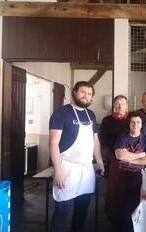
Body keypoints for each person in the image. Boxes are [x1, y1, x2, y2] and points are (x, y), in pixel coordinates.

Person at [49, 81, 104, 232]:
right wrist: (58, 171)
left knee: (82, 210)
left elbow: (95, 140)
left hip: (86, 169)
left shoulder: (91, 114)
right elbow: (53, 143)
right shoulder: (61, 113)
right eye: (83, 92)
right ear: (74, 92)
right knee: (62, 210)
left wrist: (99, 161)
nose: (86, 96)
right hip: (67, 168)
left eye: (89, 94)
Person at [107, 111, 146, 232]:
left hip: (135, 180)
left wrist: (129, 158)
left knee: (132, 208)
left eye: (138, 122)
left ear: (142, 124)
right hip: (118, 179)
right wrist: (140, 155)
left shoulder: (145, 138)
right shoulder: (122, 136)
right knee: (115, 207)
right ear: (129, 124)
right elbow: (119, 155)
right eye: (132, 122)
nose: (135, 125)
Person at [100, 95, 129, 174]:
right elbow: (102, 140)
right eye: (117, 104)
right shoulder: (106, 120)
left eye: (123, 104)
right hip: (111, 158)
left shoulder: (131, 119)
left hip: (128, 158)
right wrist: (110, 157)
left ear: (126, 106)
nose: (120, 106)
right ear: (114, 105)